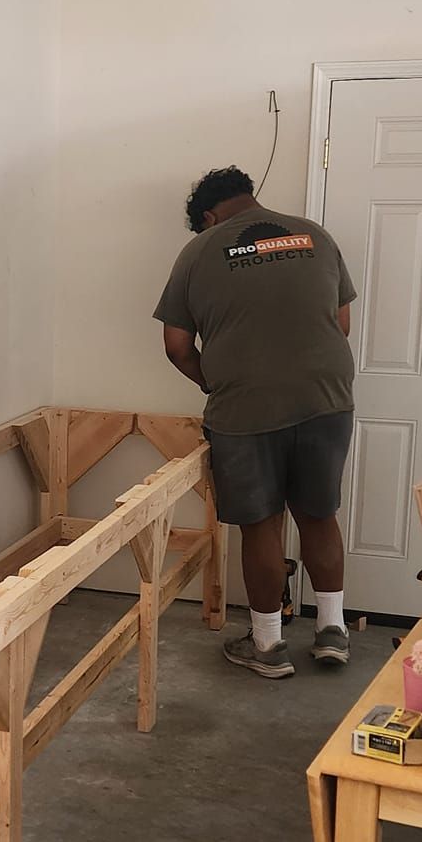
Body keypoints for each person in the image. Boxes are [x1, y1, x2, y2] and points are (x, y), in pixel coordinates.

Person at [153, 165, 357, 679]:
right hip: (326, 398)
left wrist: (213, 381)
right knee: (319, 514)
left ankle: (267, 646)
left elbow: (177, 346)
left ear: (208, 215)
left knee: (261, 524)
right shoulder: (316, 235)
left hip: (244, 409)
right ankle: (332, 631)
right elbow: (341, 324)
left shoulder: (198, 252)